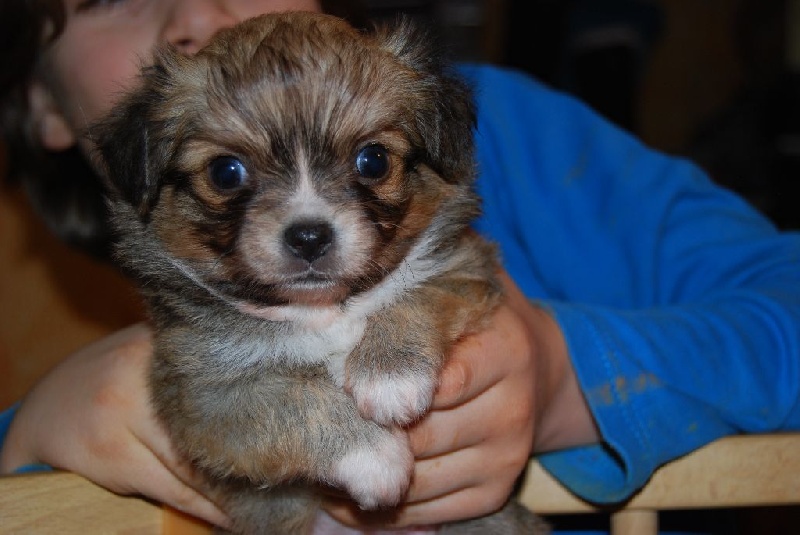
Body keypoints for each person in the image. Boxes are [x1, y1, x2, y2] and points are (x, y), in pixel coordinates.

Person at [0, 1, 798, 534]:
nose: (198, 14)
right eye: (227, 174)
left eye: (371, 161)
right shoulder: (169, 313)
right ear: (38, 104)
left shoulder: (524, 141)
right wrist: (26, 437)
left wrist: (569, 377)